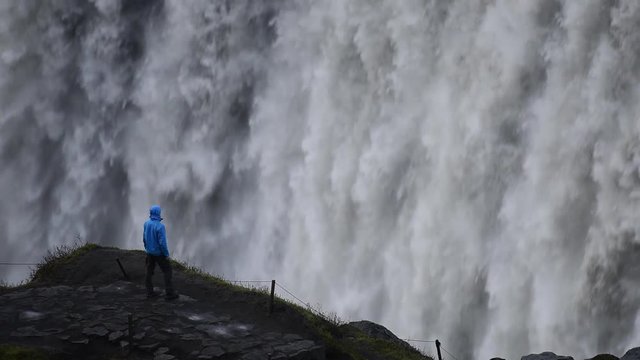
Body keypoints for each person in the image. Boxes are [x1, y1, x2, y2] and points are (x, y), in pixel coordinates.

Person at [143, 205, 179, 300]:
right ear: (158, 213)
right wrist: (166, 254)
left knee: (149, 271)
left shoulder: (146, 223)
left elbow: (144, 238)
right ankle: (169, 293)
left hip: (149, 253)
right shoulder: (160, 226)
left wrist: (147, 248)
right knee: (167, 271)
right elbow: (162, 243)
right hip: (159, 254)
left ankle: (150, 293)